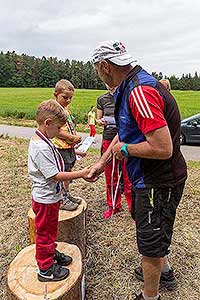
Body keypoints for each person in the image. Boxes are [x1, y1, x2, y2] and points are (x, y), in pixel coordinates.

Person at [89, 40, 187, 300]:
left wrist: (127, 151)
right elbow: (125, 133)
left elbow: (163, 147)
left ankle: (149, 295)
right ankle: (163, 272)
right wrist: (101, 164)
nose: (99, 74)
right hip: (147, 176)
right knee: (150, 230)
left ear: (105, 66)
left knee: (150, 242)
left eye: (98, 70)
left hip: (158, 180)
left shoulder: (139, 92)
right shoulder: (128, 86)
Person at [28, 99, 89, 282]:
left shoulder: (44, 139)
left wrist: (75, 153)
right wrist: (82, 173)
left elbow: (54, 157)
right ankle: (45, 269)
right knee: (44, 233)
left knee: (50, 230)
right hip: (45, 199)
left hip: (51, 197)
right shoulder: (40, 147)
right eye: (59, 129)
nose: (60, 133)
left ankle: (50, 252)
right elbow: (55, 175)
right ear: (48, 124)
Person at [96, 84, 132, 218]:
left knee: (129, 174)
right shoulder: (102, 99)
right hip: (108, 137)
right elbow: (98, 119)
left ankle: (133, 208)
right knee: (110, 175)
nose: (110, 85)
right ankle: (113, 205)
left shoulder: (126, 96)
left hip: (125, 139)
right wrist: (100, 122)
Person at [52, 79, 85, 211]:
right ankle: (61, 199)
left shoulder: (65, 108)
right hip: (60, 147)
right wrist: (72, 137)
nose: (68, 100)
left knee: (68, 171)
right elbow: (56, 130)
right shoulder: (54, 110)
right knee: (62, 173)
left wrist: (74, 141)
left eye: (70, 98)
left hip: (68, 147)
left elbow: (69, 126)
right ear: (55, 94)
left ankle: (66, 194)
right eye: (65, 97)